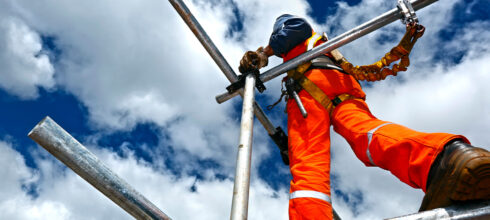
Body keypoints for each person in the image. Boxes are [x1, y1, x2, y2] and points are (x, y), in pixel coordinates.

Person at [238, 14, 490, 220]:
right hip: (338, 86)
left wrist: (265, 52)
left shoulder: (291, 26)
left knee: (308, 163)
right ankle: (443, 160)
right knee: (366, 135)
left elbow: (292, 30)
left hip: (309, 86)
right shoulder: (318, 44)